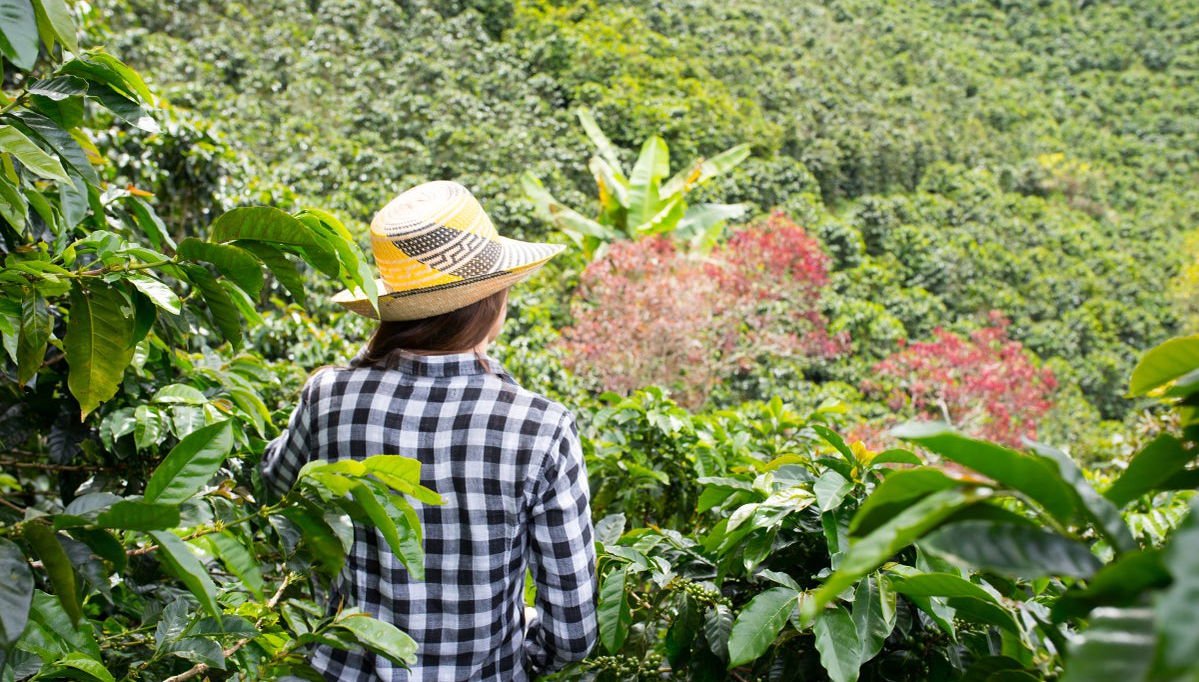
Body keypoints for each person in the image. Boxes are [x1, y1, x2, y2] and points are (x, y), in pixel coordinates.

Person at [260, 181, 597, 681]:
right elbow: (573, 629)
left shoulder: (329, 396)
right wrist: (523, 656)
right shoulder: (541, 427)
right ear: (492, 300)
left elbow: (274, 489)